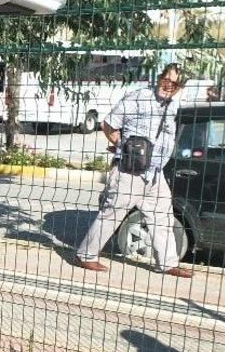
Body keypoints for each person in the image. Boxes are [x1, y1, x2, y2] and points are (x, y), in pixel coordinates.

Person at [75, 63, 193, 278]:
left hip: (155, 174)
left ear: (179, 88)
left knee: (162, 217)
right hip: (129, 172)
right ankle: (86, 255)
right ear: (159, 77)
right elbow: (108, 124)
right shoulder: (139, 97)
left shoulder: (172, 105)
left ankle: (167, 263)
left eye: (174, 84)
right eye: (166, 80)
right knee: (112, 213)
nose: (168, 85)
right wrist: (123, 147)